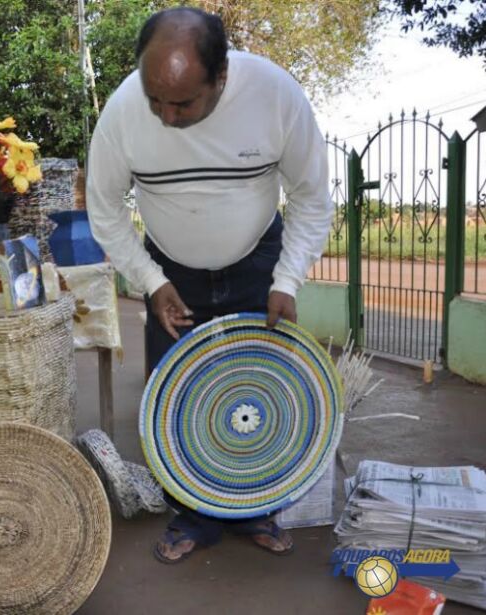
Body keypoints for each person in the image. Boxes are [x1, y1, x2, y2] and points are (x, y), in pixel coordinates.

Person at [85, 7, 333, 563]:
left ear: (221, 77)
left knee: (260, 396)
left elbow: (312, 197)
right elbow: (104, 211)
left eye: (183, 103)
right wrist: (151, 281)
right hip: (170, 273)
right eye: (156, 100)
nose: (166, 116)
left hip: (259, 263)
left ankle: (255, 509)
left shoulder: (274, 95)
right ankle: (193, 516)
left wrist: (287, 280)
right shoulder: (123, 111)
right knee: (178, 404)